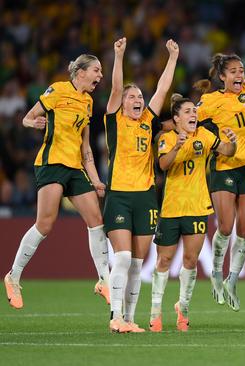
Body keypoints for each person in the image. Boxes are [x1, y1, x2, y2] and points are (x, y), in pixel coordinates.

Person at [4, 54, 109, 309]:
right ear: (81, 72)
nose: (100, 76)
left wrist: (95, 179)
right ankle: (13, 276)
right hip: (51, 164)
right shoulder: (58, 90)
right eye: (96, 70)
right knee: (45, 223)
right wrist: (34, 123)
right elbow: (27, 117)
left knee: (96, 220)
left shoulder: (88, 102)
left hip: (75, 168)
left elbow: (85, 147)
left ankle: (104, 280)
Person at [194, 11, 245, 312]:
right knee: (225, 226)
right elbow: (191, 121)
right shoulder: (212, 101)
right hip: (223, 166)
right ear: (222, 76)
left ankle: (232, 278)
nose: (240, 74)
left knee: (244, 229)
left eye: (242, 69)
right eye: (234, 71)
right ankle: (215, 271)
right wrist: (213, 140)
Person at [103, 38, 179, 333]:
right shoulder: (114, 121)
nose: (137, 99)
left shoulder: (147, 118)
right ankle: (115, 316)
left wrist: (172, 58)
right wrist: (118, 56)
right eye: (131, 96)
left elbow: (162, 89)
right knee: (121, 257)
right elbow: (114, 89)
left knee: (137, 263)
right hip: (119, 195)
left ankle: (130, 319)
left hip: (146, 197)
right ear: (121, 103)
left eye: (139, 96)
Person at [149, 94, 237, 332]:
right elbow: (164, 165)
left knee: (190, 259)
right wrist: (178, 145)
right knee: (164, 260)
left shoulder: (206, 136)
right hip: (171, 208)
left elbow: (227, 151)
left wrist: (233, 142)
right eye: (187, 112)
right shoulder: (167, 139)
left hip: (198, 207)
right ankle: (155, 312)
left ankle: (183, 309)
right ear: (176, 118)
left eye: (194, 112)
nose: (193, 115)